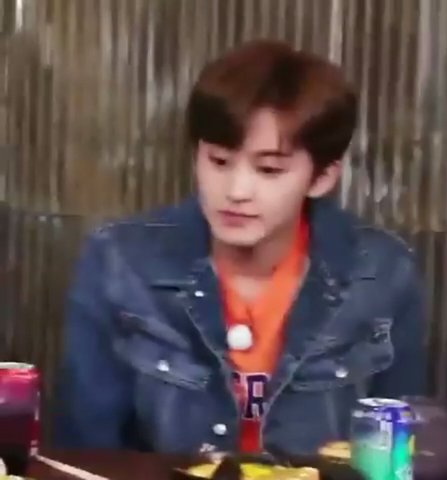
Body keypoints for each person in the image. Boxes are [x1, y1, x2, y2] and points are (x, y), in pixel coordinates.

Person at [54, 40, 426, 455]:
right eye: (218, 161)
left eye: (268, 170)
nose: (236, 191)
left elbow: (397, 454)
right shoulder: (119, 262)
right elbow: (84, 454)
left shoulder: (380, 273)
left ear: (321, 177)